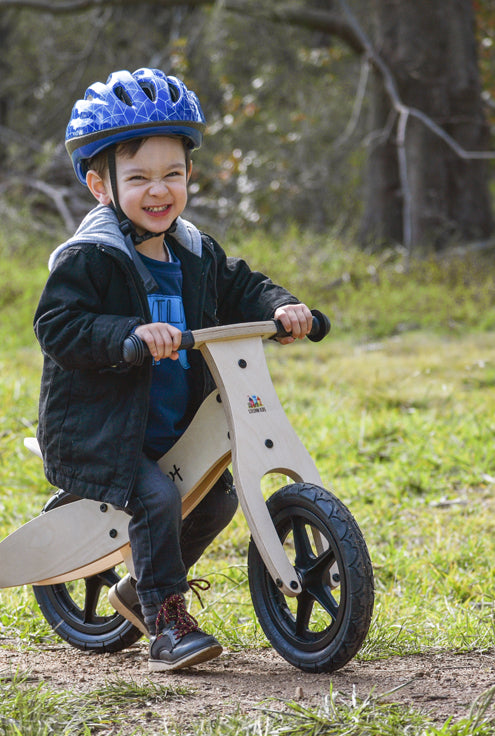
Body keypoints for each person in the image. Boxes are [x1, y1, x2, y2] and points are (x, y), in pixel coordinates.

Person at [33, 68, 312, 672]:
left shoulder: (194, 251)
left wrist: (282, 307)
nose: (159, 191)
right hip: (99, 432)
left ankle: (139, 592)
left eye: (172, 175)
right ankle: (164, 622)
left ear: (189, 176)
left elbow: (244, 286)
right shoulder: (91, 258)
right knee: (156, 497)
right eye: (138, 178)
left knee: (217, 499)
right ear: (98, 184)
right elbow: (57, 326)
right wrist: (128, 335)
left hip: (171, 426)